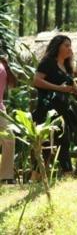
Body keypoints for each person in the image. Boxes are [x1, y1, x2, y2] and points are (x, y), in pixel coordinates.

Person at [31, 35, 77, 181]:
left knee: (64, 142)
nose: (69, 48)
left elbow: (73, 88)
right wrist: (57, 88)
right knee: (45, 146)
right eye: (66, 45)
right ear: (57, 47)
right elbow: (37, 80)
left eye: (70, 45)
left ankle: (67, 175)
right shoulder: (48, 62)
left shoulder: (68, 67)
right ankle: (36, 178)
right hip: (47, 111)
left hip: (63, 112)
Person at [0, 54, 17, 185]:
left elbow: (13, 84)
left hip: (0, 109)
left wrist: (7, 67)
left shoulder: (2, 64)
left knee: (9, 138)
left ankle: (6, 176)